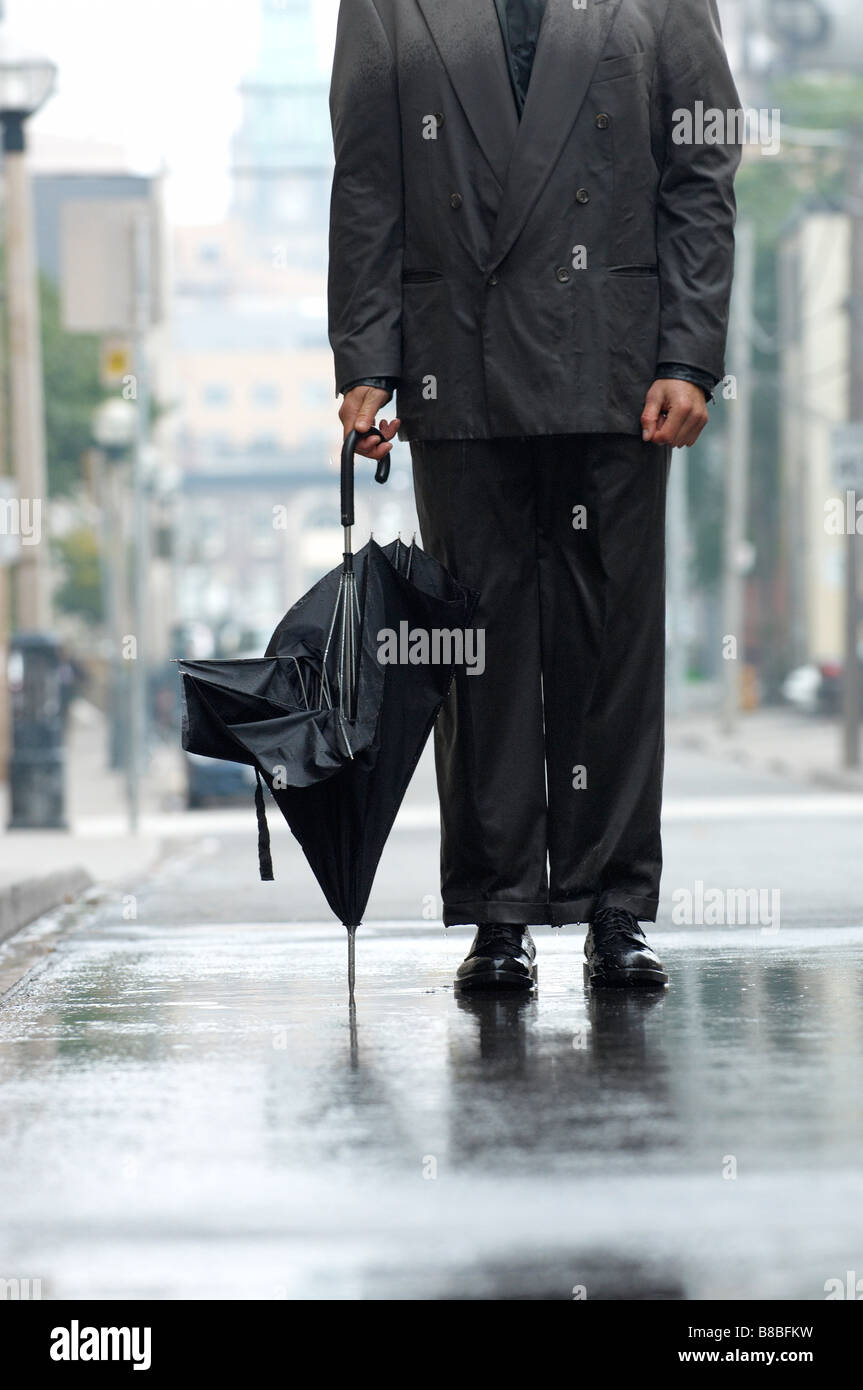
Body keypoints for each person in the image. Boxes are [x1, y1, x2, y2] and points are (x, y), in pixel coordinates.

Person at [328, 0, 741, 991]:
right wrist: (367, 363)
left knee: (610, 646)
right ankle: (498, 908)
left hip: (617, 360)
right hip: (454, 363)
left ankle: (613, 905)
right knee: (477, 650)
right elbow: (368, 183)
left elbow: (699, 172)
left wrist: (690, 353)